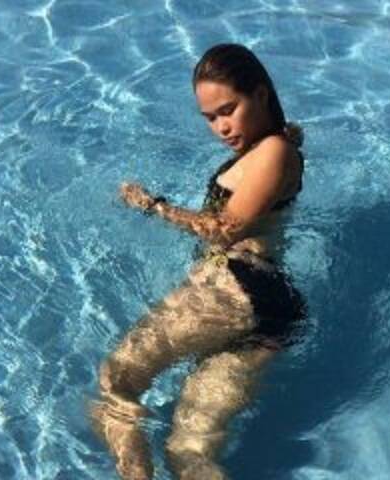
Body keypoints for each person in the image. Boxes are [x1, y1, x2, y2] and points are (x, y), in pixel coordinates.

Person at [91, 43, 306, 480]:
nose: (221, 127)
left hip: (235, 288)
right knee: (187, 451)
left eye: (229, 110)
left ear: (261, 94)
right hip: (268, 309)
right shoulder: (275, 147)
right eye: (210, 118)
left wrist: (152, 205)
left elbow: (226, 229)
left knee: (116, 382)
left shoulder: (273, 152)